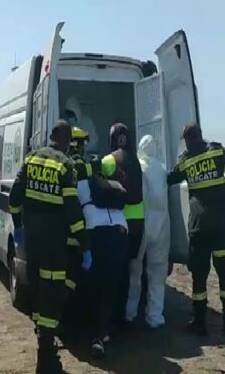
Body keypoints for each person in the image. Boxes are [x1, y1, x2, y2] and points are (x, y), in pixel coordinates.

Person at [9, 120, 91, 373]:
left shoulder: (31, 158)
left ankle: (46, 350)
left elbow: (15, 196)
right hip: (55, 244)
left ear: (51, 136)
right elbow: (72, 211)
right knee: (52, 297)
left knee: (37, 292)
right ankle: (46, 360)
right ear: (67, 140)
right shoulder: (65, 166)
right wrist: (85, 245)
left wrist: (18, 225)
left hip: (32, 242)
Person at [68, 126, 128, 357]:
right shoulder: (105, 174)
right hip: (119, 230)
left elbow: (71, 211)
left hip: (96, 232)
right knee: (110, 285)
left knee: (93, 286)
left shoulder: (77, 179)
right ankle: (106, 331)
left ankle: (95, 337)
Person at [168, 123, 225, 336]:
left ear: (190, 138)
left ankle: (199, 323)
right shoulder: (218, 151)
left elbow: (170, 178)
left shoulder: (186, 160)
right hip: (221, 226)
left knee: (199, 276)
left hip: (199, 229)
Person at [101, 123, 145, 325]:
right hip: (139, 222)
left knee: (115, 270)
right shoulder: (136, 160)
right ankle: (131, 312)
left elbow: (94, 179)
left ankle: (116, 315)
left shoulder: (110, 160)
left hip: (121, 222)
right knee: (132, 269)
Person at [126, 134, 170, 329]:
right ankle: (155, 317)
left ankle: (130, 313)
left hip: (143, 221)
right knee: (157, 274)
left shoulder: (139, 166)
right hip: (162, 224)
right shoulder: (161, 168)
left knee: (134, 272)